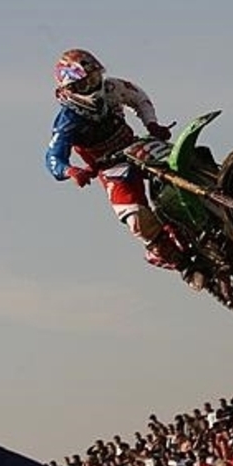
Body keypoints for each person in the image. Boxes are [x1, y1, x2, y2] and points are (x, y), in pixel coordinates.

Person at [44, 49, 205, 288]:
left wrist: (152, 124)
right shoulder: (67, 120)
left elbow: (138, 97)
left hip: (135, 146)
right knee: (135, 218)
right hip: (110, 166)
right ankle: (183, 265)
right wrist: (71, 171)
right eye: (85, 83)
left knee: (186, 157)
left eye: (94, 77)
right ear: (71, 89)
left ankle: (222, 184)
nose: (93, 85)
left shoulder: (112, 87)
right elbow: (53, 157)